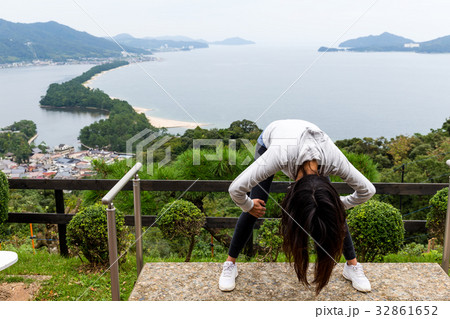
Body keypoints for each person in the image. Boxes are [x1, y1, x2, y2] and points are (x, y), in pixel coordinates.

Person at [219, 119, 376, 294]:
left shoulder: (333, 159)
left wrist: (339, 205)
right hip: (274, 138)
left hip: (313, 144)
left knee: (331, 212)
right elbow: (235, 189)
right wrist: (248, 205)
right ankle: (230, 264)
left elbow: (368, 190)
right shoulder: (278, 155)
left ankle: (352, 266)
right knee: (257, 205)